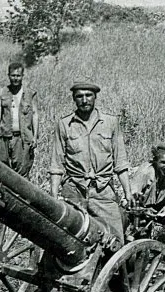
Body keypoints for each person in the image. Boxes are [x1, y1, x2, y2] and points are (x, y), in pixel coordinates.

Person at [50, 81, 132, 246]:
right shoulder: (64, 125)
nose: (84, 100)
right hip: (74, 191)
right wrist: (53, 196)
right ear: (74, 99)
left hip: (103, 191)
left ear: (95, 97)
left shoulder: (110, 123)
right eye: (79, 96)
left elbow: (120, 163)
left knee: (116, 241)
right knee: (67, 241)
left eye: (88, 95)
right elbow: (56, 165)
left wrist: (128, 193)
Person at [129, 143, 165, 251]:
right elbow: (130, 197)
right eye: (163, 162)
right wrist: (143, 210)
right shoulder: (145, 171)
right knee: (141, 244)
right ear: (155, 162)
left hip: (163, 208)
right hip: (143, 209)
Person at [0, 62, 39, 177]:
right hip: (5, 137)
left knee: (22, 170)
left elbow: (35, 115)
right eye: (13, 75)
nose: (15, 78)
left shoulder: (30, 94)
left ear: (22, 76)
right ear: (8, 75)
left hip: (23, 138)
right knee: (4, 169)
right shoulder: (2, 92)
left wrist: (35, 137)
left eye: (18, 75)